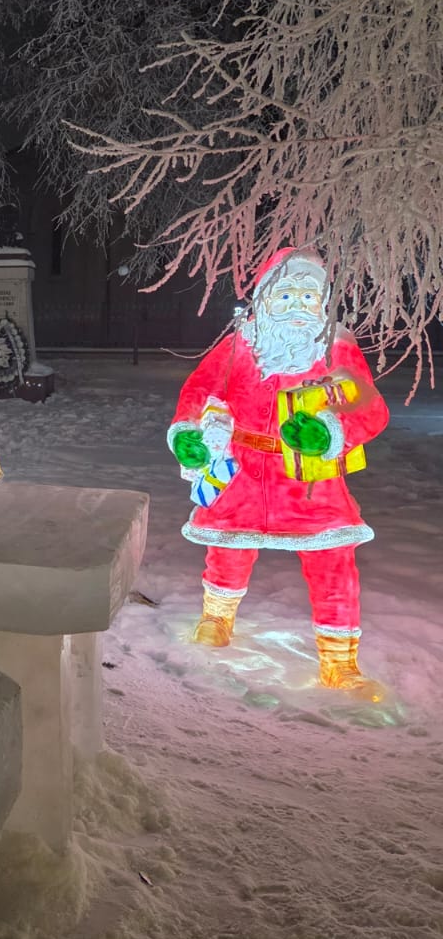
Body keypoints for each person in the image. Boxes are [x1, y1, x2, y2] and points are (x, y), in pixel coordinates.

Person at [167, 247, 389, 699]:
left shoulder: (334, 348)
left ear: (323, 301)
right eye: (285, 295)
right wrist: (188, 432)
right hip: (242, 472)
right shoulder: (238, 346)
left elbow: (369, 405)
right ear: (264, 300)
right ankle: (216, 618)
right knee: (228, 548)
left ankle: (340, 661)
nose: (296, 307)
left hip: (309, 481)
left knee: (332, 561)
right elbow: (198, 392)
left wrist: (331, 430)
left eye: (308, 297)